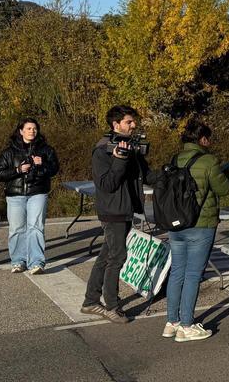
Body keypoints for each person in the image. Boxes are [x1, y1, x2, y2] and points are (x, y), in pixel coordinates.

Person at [162, 119, 229, 343]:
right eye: (208, 138)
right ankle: (187, 325)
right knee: (193, 274)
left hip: (176, 223)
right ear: (202, 139)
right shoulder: (209, 160)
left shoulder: (175, 159)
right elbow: (223, 189)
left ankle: (171, 322)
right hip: (201, 224)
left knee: (177, 272)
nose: (210, 141)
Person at [82, 104, 154, 323]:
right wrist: (119, 159)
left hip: (126, 208)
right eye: (128, 122)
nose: (133, 125)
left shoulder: (129, 146)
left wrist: (170, 177)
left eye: (133, 122)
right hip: (112, 210)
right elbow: (108, 184)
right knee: (117, 257)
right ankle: (111, 305)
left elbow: (147, 175)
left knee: (106, 255)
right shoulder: (103, 149)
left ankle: (90, 300)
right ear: (116, 125)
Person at [0, 118, 59, 274]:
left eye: (34, 128)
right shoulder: (9, 152)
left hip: (38, 193)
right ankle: (18, 261)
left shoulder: (46, 150)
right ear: (21, 131)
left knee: (36, 227)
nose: (32, 131)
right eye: (28, 128)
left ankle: (36, 262)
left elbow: (54, 169)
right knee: (16, 229)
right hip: (15, 195)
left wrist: (42, 164)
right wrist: (18, 170)